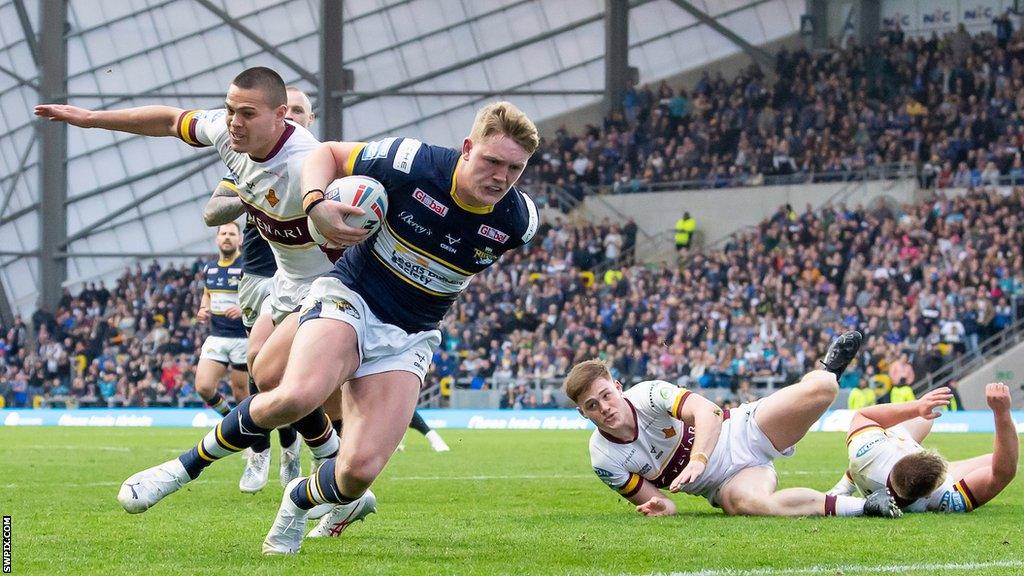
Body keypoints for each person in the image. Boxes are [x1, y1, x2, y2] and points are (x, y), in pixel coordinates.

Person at [112, 101, 540, 554]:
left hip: (412, 334)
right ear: (467, 148)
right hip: (351, 294)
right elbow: (329, 155)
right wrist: (316, 204)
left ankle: (297, 499)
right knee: (297, 393)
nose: (501, 177)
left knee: (358, 473)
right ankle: (179, 470)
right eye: (492, 161)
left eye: (515, 168)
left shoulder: (520, 221)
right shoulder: (413, 161)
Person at [36, 66, 350, 504]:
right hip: (286, 279)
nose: (234, 122)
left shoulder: (308, 162)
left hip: (331, 284)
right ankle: (333, 466)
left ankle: (199, 467)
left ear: (283, 116)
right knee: (262, 370)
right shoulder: (228, 134)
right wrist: (91, 119)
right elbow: (167, 120)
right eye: (229, 110)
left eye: (247, 113)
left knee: (280, 379)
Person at [564, 331, 902, 519]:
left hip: (742, 431)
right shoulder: (604, 460)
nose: (604, 408)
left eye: (606, 395)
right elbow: (665, 505)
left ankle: (826, 369)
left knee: (825, 389)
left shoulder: (650, 394)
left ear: (618, 387)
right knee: (752, 506)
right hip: (724, 485)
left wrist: (698, 460)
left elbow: (708, 412)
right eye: (592, 406)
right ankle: (865, 506)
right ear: (584, 414)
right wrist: (659, 507)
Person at [201, 85, 323, 493]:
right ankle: (264, 450)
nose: (293, 121)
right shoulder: (248, 160)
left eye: (301, 112)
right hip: (259, 277)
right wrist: (249, 192)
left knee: (307, 377)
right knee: (263, 370)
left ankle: (315, 453)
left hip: (313, 280)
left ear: (308, 118)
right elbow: (212, 212)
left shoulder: (321, 164)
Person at [828, 383, 1017, 513]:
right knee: (992, 460)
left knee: (923, 419)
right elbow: (1002, 473)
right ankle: (848, 483)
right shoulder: (942, 498)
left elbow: (861, 415)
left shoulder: (870, 450)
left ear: (902, 454)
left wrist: (917, 407)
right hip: (877, 474)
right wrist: (1002, 413)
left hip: (870, 465)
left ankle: (843, 486)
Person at [194, 223, 249, 418]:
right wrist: (203, 309)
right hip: (217, 336)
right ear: (217, 239)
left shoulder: (247, 266)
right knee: (204, 387)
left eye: (232, 234)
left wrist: (243, 309)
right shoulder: (210, 268)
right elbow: (207, 294)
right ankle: (229, 420)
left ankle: (253, 440)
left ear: (240, 239)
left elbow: (262, 296)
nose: (227, 237)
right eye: (223, 234)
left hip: (243, 338)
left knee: (241, 394)